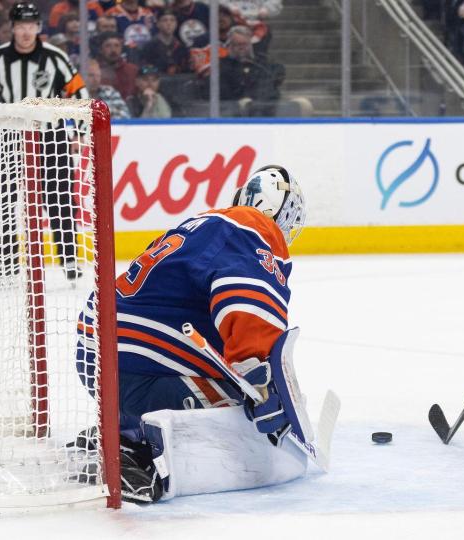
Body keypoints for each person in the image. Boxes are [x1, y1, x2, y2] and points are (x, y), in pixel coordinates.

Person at [76, 165, 307, 503]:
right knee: (237, 415)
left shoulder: (207, 225)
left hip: (102, 351)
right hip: (131, 362)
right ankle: (131, 447)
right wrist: (257, 380)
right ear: (277, 210)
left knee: (232, 391)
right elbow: (246, 301)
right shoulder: (253, 228)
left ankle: (121, 424)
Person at [0, 2, 88, 280]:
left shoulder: (55, 57)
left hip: (50, 137)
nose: (26, 31)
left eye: (31, 25)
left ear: (38, 27)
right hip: (9, 136)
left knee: (59, 197)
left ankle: (69, 260)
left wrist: (77, 132)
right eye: (20, 26)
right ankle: (7, 260)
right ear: (12, 28)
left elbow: (78, 93)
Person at [138, 10, 190, 75]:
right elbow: (143, 69)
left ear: (176, 24)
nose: (169, 23)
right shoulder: (149, 47)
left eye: (172, 20)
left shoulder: (181, 47)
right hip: (156, 81)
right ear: (158, 24)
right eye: (165, 20)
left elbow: (186, 70)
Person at [97, 31, 139, 98]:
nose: (113, 50)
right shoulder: (94, 71)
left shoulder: (132, 70)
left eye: (117, 46)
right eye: (108, 46)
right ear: (101, 50)